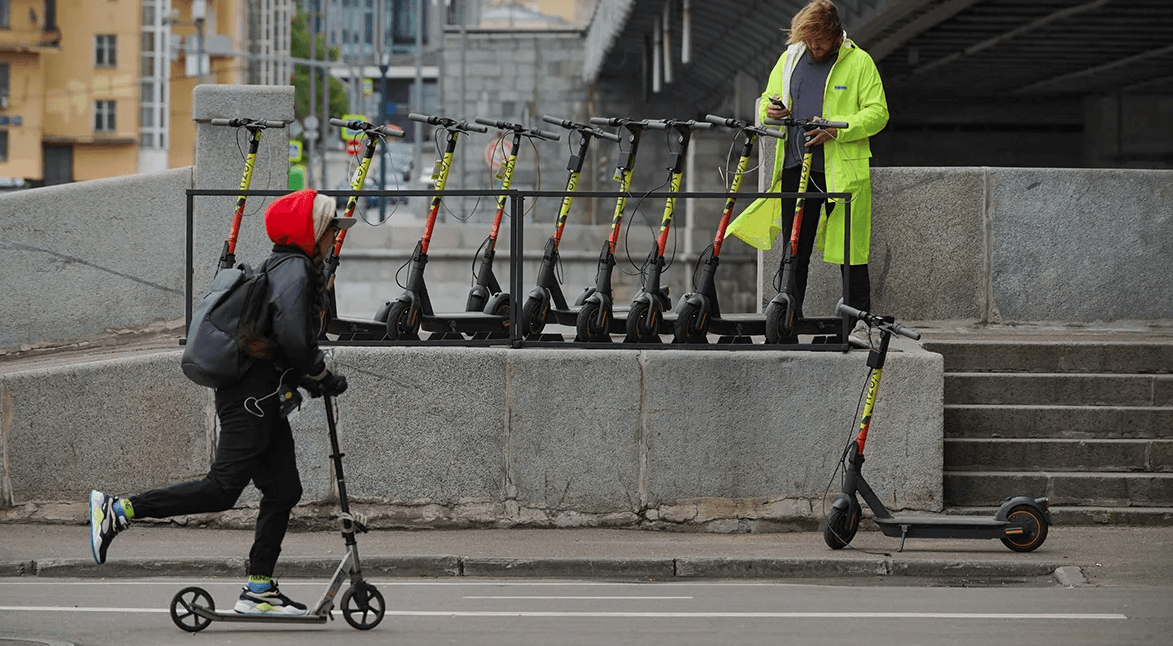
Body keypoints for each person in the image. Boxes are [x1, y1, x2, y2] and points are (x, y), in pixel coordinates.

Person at [88, 188, 353, 615]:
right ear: (311, 231)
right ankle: (119, 509)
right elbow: (292, 337)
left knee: (284, 490)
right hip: (252, 400)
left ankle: (259, 590)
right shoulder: (296, 269)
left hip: (261, 398)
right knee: (222, 489)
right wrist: (320, 373)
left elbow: (277, 342)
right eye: (330, 231)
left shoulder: (285, 266)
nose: (334, 239)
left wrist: (311, 379)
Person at [726, 0, 889, 348]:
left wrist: (837, 130)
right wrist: (771, 110)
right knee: (794, 248)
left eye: (819, 41)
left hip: (842, 173)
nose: (814, 47)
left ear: (834, 33)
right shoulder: (790, 58)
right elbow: (763, 102)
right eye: (808, 40)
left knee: (851, 251)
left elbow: (878, 113)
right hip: (795, 166)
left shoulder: (859, 62)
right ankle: (787, 316)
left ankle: (859, 324)